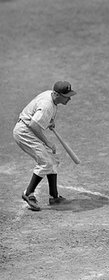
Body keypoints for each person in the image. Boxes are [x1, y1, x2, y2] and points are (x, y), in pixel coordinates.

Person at [13, 81, 76, 211]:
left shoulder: (51, 96)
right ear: (56, 94)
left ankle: (54, 197)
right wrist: (47, 142)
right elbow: (34, 125)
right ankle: (28, 193)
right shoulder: (47, 105)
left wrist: (50, 121)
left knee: (53, 161)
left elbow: (40, 114)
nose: (69, 98)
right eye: (66, 96)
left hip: (29, 130)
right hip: (24, 132)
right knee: (46, 162)